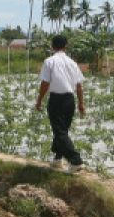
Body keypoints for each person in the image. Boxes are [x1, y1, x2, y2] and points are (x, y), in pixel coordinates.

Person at [34, 34, 85, 173]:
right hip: (70, 100)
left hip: (56, 99)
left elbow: (45, 83)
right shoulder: (72, 63)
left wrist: (39, 99)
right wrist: (81, 104)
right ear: (65, 46)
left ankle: (76, 161)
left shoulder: (49, 61)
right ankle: (57, 159)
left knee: (59, 131)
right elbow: (79, 85)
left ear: (52, 46)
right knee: (63, 130)